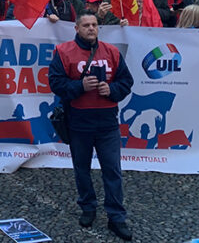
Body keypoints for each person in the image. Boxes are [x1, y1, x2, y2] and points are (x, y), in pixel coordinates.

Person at [48, 12, 134, 241]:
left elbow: (126, 82)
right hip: (78, 122)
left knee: (113, 171)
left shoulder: (112, 52)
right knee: (82, 169)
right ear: (76, 28)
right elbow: (55, 83)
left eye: (94, 25)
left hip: (107, 123)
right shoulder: (63, 52)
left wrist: (112, 91)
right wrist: (80, 87)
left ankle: (116, 217)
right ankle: (88, 207)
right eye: (86, 25)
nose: (91, 29)